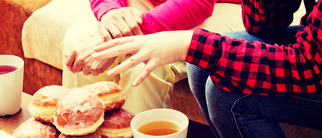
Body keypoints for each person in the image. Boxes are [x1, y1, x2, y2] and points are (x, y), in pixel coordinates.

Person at [91, 0, 322, 138]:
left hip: (313, 61)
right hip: (313, 38)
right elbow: (264, 24)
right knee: (200, 65)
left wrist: (188, 43)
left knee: (227, 95)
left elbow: (308, 67)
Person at [62, 0, 242, 114]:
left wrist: (115, 42)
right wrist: (109, 13)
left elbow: (197, 2)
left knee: (144, 67)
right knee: (77, 43)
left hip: (219, 4)